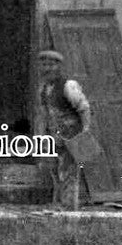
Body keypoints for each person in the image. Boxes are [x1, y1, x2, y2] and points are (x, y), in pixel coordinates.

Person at [37, 49, 92, 209]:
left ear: (58, 67)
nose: (47, 69)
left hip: (71, 135)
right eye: (44, 65)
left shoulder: (68, 86)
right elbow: (44, 113)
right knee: (55, 171)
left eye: (51, 65)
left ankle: (68, 207)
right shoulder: (44, 88)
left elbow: (84, 108)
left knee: (69, 172)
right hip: (55, 136)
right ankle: (59, 204)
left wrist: (85, 131)